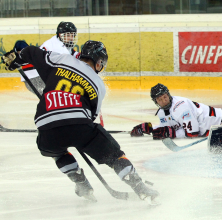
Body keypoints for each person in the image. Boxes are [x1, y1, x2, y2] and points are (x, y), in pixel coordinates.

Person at [1, 40, 159, 203]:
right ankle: (140, 188)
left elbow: (31, 51)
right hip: (79, 125)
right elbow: (90, 116)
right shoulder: (98, 85)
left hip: (45, 127)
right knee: (114, 156)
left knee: (57, 152)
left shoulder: (61, 59)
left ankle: (82, 184)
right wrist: (77, 133)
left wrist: (16, 61)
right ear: (99, 62)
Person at [130, 83, 222, 139]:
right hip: (215, 129)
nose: (164, 101)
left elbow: (193, 133)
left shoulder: (181, 106)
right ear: (156, 102)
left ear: (168, 94)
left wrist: (172, 134)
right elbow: (170, 127)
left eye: (164, 97)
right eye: (160, 99)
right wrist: (149, 129)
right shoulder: (162, 112)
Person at [18, 21, 79, 95]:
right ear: (60, 35)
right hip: (34, 78)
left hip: (37, 75)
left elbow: (74, 55)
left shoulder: (60, 42)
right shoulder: (56, 47)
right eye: (68, 35)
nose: (71, 38)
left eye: (73, 35)